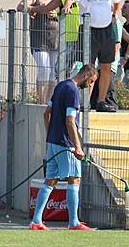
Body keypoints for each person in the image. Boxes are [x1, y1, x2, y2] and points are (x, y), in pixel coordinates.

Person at [29, 64, 98, 231]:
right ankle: (73, 223)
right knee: (74, 179)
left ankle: (36, 221)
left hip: (53, 142)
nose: (90, 86)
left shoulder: (61, 85)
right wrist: (78, 147)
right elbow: (70, 121)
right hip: (66, 144)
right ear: (86, 74)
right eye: (91, 81)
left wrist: (49, 137)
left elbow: (46, 113)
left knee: (50, 181)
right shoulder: (73, 91)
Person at [62, 0, 122, 112]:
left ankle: (101, 101)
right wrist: (66, 6)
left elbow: (118, 0)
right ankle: (85, 101)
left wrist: (115, 15)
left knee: (106, 67)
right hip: (89, 31)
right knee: (88, 68)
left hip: (106, 30)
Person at [29, 0, 81, 78]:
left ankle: (64, 94)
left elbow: (46, 8)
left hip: (70, 38)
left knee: (61, 72)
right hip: (86, 36)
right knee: (81, 70)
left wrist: (33, 9)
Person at [17, 0, 59, 104]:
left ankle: (49, 101)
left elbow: (65, 11)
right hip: (39, 40)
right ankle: (42, 101)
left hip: (54, 38)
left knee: (53, 71)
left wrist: (56, 14)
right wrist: (35, 9)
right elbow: (20, 6)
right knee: (44, 68)